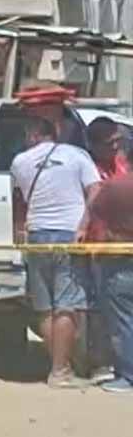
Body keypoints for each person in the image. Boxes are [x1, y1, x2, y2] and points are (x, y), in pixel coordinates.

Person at [11, 117, 101, 389]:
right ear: (55, 133)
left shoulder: (19, 161)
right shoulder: (77, 155)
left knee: (45, 307)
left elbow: (18, 200)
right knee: (67, 305)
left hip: (37, 235)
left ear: (33, 134)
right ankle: (60, 371)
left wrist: (20, 228)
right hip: (68, 234)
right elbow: (95, 190)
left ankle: (60, 367)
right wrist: (84, 225)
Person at [83, 117, 129, 383]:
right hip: (98, 249)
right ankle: (101, 361)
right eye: (109, 142)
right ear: (94, 144)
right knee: (98, 309)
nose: (115, 146)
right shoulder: (89, 169)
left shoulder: (122, 165)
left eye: (118, 141)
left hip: (123, 248)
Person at [87, 172, 133, 393]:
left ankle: (129, 376)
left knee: (124, 321)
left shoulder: (114, 186)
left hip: (119, 259)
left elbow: (96, 214)